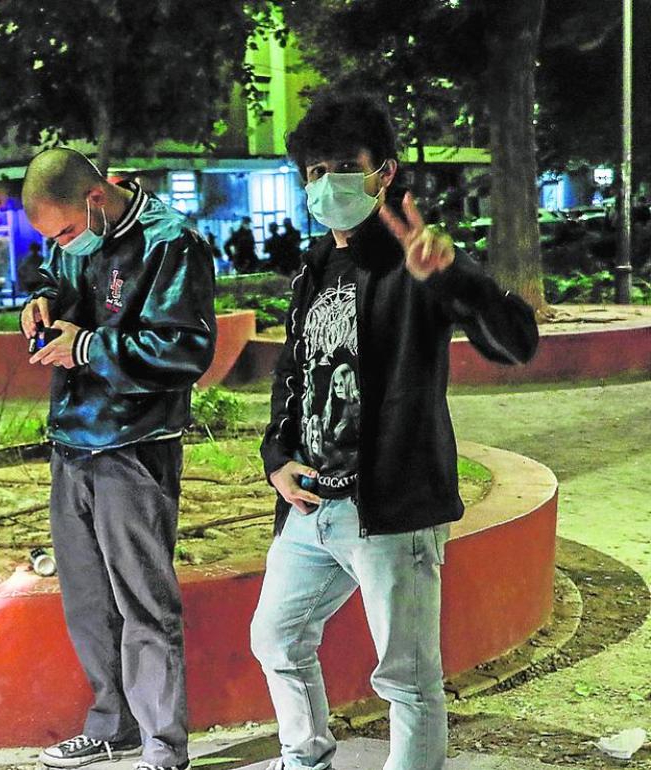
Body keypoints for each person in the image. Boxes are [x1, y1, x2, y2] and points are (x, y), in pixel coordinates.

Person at [252, 93, 539, 770]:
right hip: (311, 504)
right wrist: (276, 455)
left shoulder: (417, 261)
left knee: (406, 678)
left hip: (391, 508)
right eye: (314, 171)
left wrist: (457, 278)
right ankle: (305, 759)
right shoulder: (314, 268)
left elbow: (516, 342)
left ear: (384, 171)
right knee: (276, 638)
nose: (326, 184)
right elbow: (296, 373)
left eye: (343, 166)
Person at [19, 148, 216, 770]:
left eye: (67, 232)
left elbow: (184, 351)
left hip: (136, 444)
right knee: (86, 597)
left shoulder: (171, 243)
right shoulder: (73, 237)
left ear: (97, 199)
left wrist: (89, 348)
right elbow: (59, 281)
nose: (62, 245)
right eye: (51, 238)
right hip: (72, 438)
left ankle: (163, 745)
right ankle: (113, 725)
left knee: (144, 603)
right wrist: (42, 304)